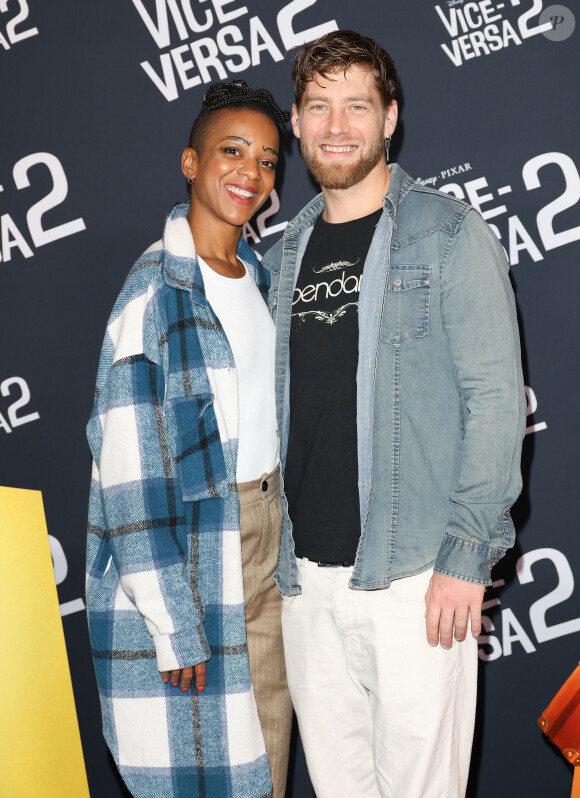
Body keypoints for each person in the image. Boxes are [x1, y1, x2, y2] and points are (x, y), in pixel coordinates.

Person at [262, 30, 526, 798]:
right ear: (298, 121)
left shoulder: (445, 234)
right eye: (319, 106)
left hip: (414, 581)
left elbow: (496, 399)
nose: (337, 125)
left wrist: (464, 557)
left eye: (356, 105)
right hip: (307, 585)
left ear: (389, 119)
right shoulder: (283, 256)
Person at [86, 81, 292, 798]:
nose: (250, 173)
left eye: (267, 161)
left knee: (264, 763)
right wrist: (172, 622)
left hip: (270, 546)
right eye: (231, 152)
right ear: (190, 162)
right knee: (201, 774)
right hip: (199, 552)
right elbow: (128, 477)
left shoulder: (263, 281)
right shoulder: (155, 295)